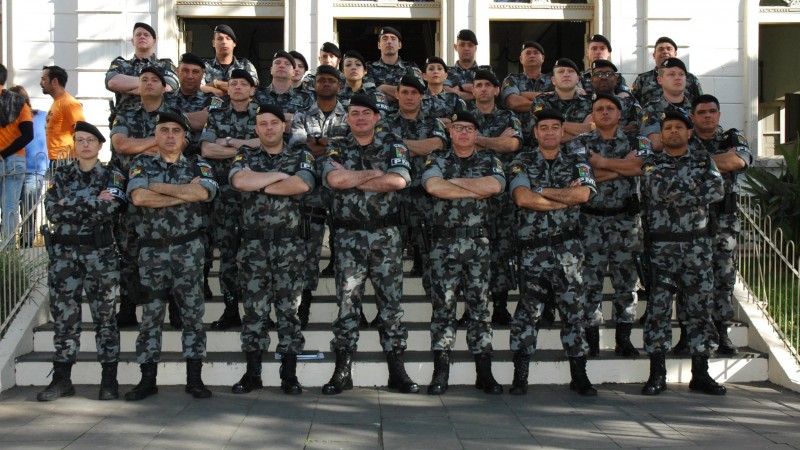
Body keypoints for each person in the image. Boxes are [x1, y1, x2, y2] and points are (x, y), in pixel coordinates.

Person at [320, 95, 418, 395]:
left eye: (366, 113)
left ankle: (396, 370)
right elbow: (333, 179)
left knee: (391, 306)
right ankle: (343, 370)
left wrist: (352, 178)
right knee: (347, 305)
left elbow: (399, 181)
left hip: (386, 237)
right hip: (348, 239)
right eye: (354, 113)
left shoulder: (394, 146)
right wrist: (375, 174)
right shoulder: (337, 146)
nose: (360, 118)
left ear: (377, 118)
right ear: (347, 118)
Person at [125, 112, 218, 401]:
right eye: (163, 130)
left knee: (192, 316)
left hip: (188, 250)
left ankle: (194, 379)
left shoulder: (198, 164)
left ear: (184, 137)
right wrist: (183, 193)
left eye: (175, 130)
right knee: (151, 317)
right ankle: (147, 380)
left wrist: (156, 187)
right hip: (151, 251)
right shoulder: (141, 163)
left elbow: (204, 193)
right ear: (155, 135)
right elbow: (138, 197)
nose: (169, 135)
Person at [507, 108, 598, 396]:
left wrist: (542, 189)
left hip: (568, 251)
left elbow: (583, 195)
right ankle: (520, 376)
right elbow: (522, 198)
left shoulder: (577, 162)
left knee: (573, 312)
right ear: (535, 133)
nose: (548, 132)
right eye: (542, 127)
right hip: (533, 252)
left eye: (554, 127)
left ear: (562, 132)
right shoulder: (521, 161)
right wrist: (563, 198)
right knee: (528, 314)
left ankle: (579, 374)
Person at [229, 104, 315, 395]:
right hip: (253, 247)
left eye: (273, 123)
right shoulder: (245, 154)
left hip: (289, 245)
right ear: (256, 129)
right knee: (254, 312)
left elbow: (302, 184)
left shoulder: (300, 154)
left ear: (283, 127)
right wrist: (280, 176)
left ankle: (289, 375)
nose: (268, 128)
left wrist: (260, 181)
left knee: (289, 311)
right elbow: (240, 180)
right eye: (262, 124)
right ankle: (253, 373)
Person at [639, 111, 726, 396]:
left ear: (689, 132)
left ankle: (700, 373)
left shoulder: (703, 160)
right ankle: (657, 373)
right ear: (661, 134)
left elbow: (716, 190)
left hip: (697, 247)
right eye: (668, 128)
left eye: (679, 127)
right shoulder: (652, 162)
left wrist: (680, 189)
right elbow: (657, 190)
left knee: (700, 309)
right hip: (662, 249)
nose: (673, 131)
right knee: (659, 311)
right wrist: (693, 188)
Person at [38, 121, 125, 402]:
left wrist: (70, 203)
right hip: (64, 258)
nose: (84, 144)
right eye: (79, 140)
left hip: (101, 257)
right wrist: (88, 202)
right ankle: (62, 379)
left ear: (100, 145)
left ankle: (108, 380)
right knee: (65, 319)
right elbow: (52, 210)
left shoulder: (113, 176)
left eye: (90, 140)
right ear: (74, 145)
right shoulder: (61, 175)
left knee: (106, 319)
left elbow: (108, 208)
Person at [422, 111, 505, 395]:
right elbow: (433, 186)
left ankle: (485, 373)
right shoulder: (437, 159)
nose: (464, 133)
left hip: (478, 246)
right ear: (451, 132)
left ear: (476, 133)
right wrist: (475, 189)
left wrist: (452, 185)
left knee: (480, 309)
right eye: (458, 128)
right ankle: (440, 372)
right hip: (444, 245)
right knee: (443, 309)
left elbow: (494, 186)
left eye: (469, 129)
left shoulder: (489, 160)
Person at [569, 93, 652, 358]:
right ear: (592, 116)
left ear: (619, 114)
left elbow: (643, 167)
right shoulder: (580, 142)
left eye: (610, 109)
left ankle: (623, 338)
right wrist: (624, 166)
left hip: (625, 222)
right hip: (590, 220)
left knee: (626, 284)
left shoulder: (637, 140)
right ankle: (592, 337)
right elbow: (584, 177)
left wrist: (603, 164)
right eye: (599, 109)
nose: (604, 112)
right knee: (590, 282)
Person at [110, 67, 183, 329]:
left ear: (164, 86)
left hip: (168, 190)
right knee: (130, 253)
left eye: (155, 80)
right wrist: (157, 142)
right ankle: (128, 307)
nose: (149, 84)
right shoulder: (126, 113)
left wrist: (139, 143)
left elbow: (180, 144)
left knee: (173, 250)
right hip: (133, 193)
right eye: (144, 80)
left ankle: (175, 310)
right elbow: (120, 145)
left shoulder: (174, 113)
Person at [690, 94, 752, 356]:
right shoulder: (684, 139)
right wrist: (718, 161)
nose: (707, 116)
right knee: (691, 278)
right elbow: (678, 167)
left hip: (725, 222)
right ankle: (689, 333)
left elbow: (738, 161)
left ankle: (722, 333)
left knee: (724, 277)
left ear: (718, 114)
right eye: (702, 112)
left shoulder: (732, 138)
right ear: (693, 116)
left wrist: (699, 161)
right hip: (693, 220)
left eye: (712, 111)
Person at [200, 69, 261, 331]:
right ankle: (230, 309)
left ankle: (257, 311)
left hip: (256, 199)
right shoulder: (216, 116)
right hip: (224, 198)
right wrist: (246, 145)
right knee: (227, 257)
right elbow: (205, 149)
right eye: (233, 83)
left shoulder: (263, 115)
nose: (237, 87)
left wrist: (229, 143)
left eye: (243, 84)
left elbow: (269, 141)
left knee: (257, 257)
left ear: (252, 90)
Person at [289, 65, 350, 329]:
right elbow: (298, 144)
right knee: (309, 249)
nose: (326, 84)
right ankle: (304, 302)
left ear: (339, 85)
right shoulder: (302, 114)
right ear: (314, 85)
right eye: (322, 80)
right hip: (311, 190)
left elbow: (352, 143)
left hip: (342, 192)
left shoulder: (350, 115)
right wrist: (331, 141)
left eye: (331, 80)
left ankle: (349, 309)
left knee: (346, 249)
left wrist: (319, 141)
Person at [385, 75, 448, 292]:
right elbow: (381, 148)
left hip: (426, 194)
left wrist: (396, 144)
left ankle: (435, 305)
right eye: (405, 92)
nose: (410, 97)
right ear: (397, 94)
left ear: (422, 96)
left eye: (414, 93)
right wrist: (419, 146)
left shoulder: (434, 122)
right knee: (390, 253)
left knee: (431, 251)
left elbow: (437, 145)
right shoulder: (384, 122)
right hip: (394, 195)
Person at [470, 69, 523, 325]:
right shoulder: (466, 118)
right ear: (473, 89)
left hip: (503, 201)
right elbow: (458, 144)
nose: (482, 89)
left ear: (496, 90)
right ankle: (473, 309)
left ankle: (500, 306)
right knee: (473, 255)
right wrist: (494, 141)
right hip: (472, 197)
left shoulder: (509, 116)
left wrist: (476, 140)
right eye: (478, 84)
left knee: (502, 253)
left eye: (487, 85)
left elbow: (512, 145)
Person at [105, 22, 178, 115]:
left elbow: (168, 86)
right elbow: (113, 82)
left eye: (146, 35)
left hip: (157, 121)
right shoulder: (120, 64)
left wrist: (128, 88)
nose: (142, 37)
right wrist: (152, 85)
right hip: (126, 122)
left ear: (154, 41)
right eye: (138, 35)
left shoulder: (165, 64)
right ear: (133, 41)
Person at [0, 63, 34, 242]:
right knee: (10, 207)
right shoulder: (20, 103)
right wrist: (5, 153)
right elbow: (28, 134)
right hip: (16, 159)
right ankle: (8, 256)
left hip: (5, 158)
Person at [10, 86, 47, 248]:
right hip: (13, 170)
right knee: (9, 208)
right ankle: (9, 242)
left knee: (28, 210)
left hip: (34, 170)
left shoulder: (42, 116)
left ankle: (26, 244)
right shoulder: (8, 120)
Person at [531, 58, 593, 143]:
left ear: (578, 79)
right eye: (561, 72)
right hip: (551, 155)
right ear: (553, 80)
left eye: (570, 71)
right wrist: (584, 128)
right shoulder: (541, 101)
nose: (566, 74)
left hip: (582, 155)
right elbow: (543, 138)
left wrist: (556, 126)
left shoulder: (589, 103)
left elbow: (594, 134)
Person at [501, 41, 553, 141]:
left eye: (536, 53)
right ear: (521, 59)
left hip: (547, 139)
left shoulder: (553, 80)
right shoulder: (512, 79)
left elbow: (562, 99)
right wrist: (548, 98)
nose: (532, 55)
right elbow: (513, 102)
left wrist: (525, 95)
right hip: (518, 139)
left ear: (543, 58)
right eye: (528, 53)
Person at [639, 57, 693, 151]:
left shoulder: (696, 109)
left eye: (681, 74)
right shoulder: (651, 109)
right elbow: (655, 143)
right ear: (660, 80)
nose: (677, 78)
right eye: (671, 74)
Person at [631, 36, 703, 106]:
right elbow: (632, 105)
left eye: (669, 49)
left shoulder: (690, 78)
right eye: (661, 49)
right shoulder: (642, 79)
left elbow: (701, 104)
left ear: (675, 54)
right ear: (654, 55)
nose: (665, 52)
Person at [253, 51, 313, 128]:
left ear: (293, 72)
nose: (281, 65)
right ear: (271, 70)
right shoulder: (257, 95)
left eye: (287, 64)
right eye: (277, 63)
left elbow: (312, 126)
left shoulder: (305, 98)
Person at [40, 65, 85, 161]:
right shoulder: (57, 102)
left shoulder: (69, 103)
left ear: (54, 82)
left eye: (44, 79)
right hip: (56, 159)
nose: (41, 83)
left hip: (67, 160)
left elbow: (82, 130)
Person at [368, 27, 423, 105]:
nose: (389, 42)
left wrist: (382, 88)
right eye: (385, 39)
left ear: (399, 45)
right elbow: (368, 94)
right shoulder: (369, 67)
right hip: (379, 115)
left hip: (404, 115)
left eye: (393, 39)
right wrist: (403, 94)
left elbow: (418, 93)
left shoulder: (411, 67)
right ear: (379, 45)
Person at [201, 24, 259, 97]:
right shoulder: (205, 66)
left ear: (234, 43)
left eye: (228, 38)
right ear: (213, 43)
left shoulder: (245, 65)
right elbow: (200, 88)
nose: (224, 42)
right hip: (212, 107)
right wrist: (220, 91)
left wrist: (216, 83)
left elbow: (253, 86)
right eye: (220, 39)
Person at [587, 60, 641, 134]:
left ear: (616, 80)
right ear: (591, 80)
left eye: (609, 74)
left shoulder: (629, 103)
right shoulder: (581, 103)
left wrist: (601, 127)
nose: (603, 77)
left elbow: (636, 127)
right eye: (598, 74)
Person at [444, 29, 494, 105]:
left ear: (475, 48)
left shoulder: (486, 71)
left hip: (481, 116)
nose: (466, 48)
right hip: (454, 116)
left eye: (470, 45)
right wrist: (478, 94)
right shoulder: (446, 72)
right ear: (456, 47)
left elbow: (494, 93)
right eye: (462, 45)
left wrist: (460, 87)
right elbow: (445, 92)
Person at [338, 50, 391, 116]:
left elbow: (382, 120)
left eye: (358, 64)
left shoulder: (376, 95)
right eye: (348, 65)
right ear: (343, 72)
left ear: (365, 71)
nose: (353, 68)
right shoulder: (336, 95)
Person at [421, 56, 467, 123]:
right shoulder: (418, 98)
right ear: (424, 76)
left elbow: (463, 123)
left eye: (439, 69)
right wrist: (442, 121)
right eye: (431, 69)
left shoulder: (455, 99)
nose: (436, 71)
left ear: (446, 75)